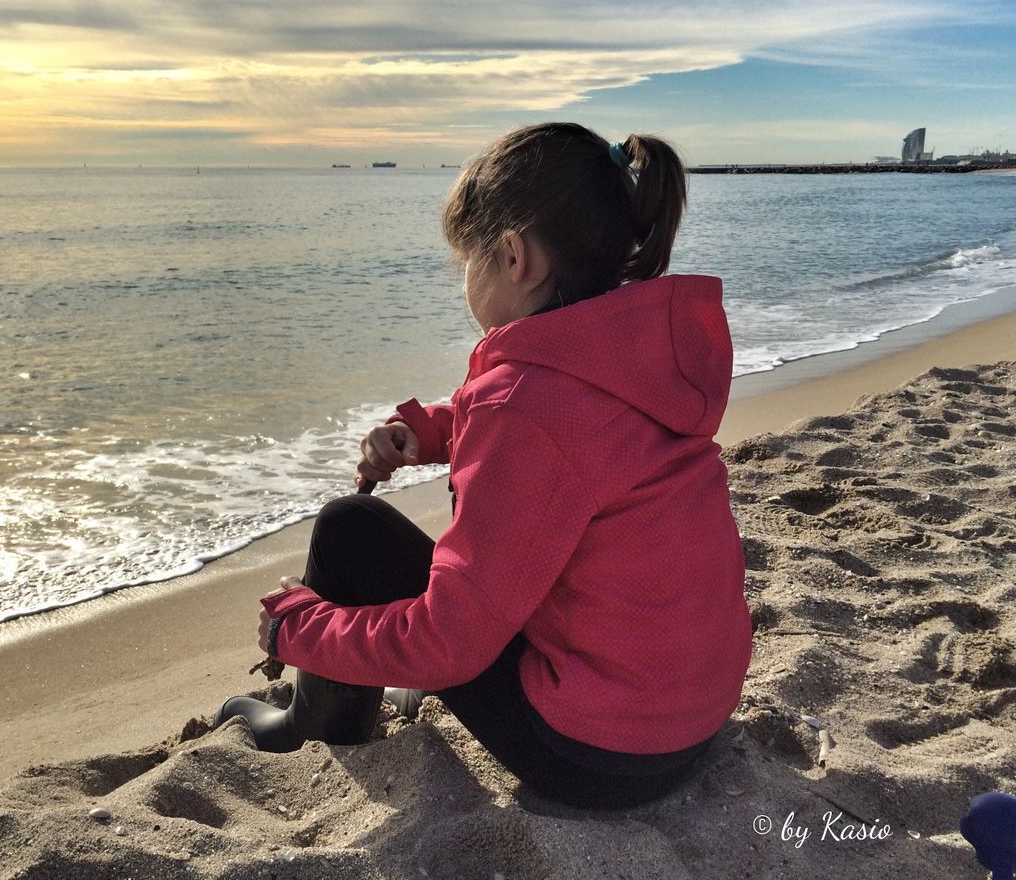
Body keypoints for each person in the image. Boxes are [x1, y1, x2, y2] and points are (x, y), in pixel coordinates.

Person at [214, 122, 752, 809]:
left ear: (512, 256)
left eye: (464, 258)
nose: (460, 276)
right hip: (690, 722)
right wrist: (429, 431)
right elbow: (573, 436)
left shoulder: (523, 406)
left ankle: (312, 720)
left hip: (598, 756)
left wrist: (300, 629)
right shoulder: (631, 352)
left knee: (351, 529)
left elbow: (450, 643)